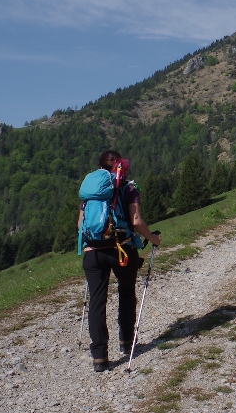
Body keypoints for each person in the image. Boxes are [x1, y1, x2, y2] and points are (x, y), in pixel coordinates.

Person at [79, 150, 161, 372]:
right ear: (121, 168)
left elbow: (80, 225)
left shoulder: (90, 192)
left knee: (97, 302)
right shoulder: (128, 188)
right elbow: (135, 220)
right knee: (126, 293)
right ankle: (126, 342)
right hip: (122, 250)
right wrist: (153, 238)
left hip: (92, 251)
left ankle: (99, 357)